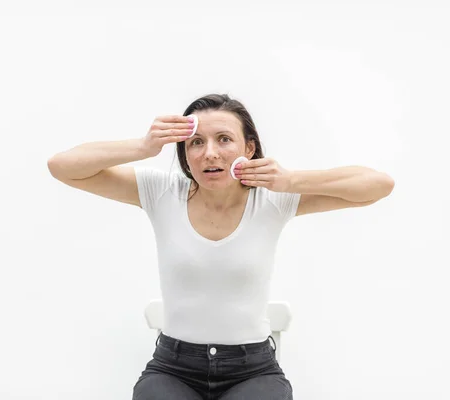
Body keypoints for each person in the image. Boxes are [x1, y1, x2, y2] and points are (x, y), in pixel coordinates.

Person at [47, 94, 395, 399]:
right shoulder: (161, 192)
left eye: (223, 139)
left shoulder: (274, 199)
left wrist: (291, 180)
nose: (209, 153)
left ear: (249, 148)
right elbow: (61, 166)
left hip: (253, 371)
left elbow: (378, 185)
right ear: (184, 152)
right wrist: (142, 146)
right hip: (173, 369)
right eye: (196, 142)